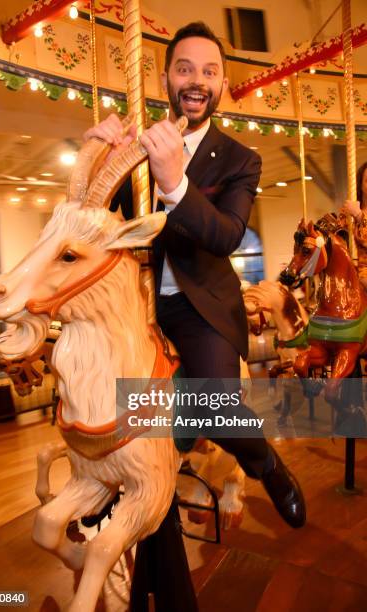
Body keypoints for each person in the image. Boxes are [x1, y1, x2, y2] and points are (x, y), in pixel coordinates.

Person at [84, 22, 305, 529]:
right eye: (184, 69)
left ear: (223, 83)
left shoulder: (239, 160)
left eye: (209, 71)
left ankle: (266, 466)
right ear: (165, 79)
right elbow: (102, 219)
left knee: (212, 409)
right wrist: (97, 158)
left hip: (199, 305)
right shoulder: (137, 146)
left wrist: (174, 183)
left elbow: (227, 234)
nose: (196, 81)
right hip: (134, 302)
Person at [342, 161, 367, 287]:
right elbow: (338, 233)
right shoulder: (349, 210)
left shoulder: (356, 212)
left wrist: (359, 216)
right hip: (350, 269)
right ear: (361, 185)